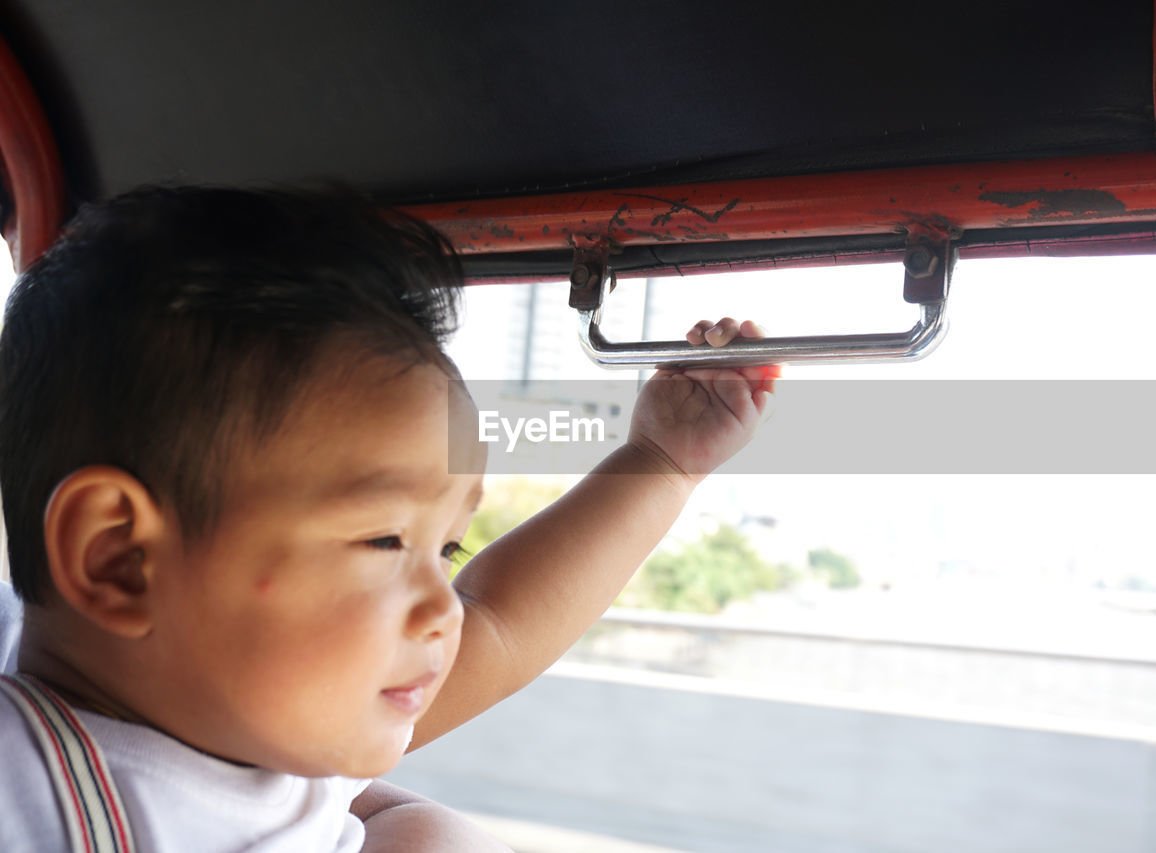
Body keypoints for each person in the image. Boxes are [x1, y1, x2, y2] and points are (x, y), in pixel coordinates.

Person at [0, 186, 776, 851]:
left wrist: (664, 459)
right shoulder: (27, 786)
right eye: (383, 539)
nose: (443, 606)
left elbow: (499, 619)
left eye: (445, 547)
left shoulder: (252, 708)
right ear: (120, 557)